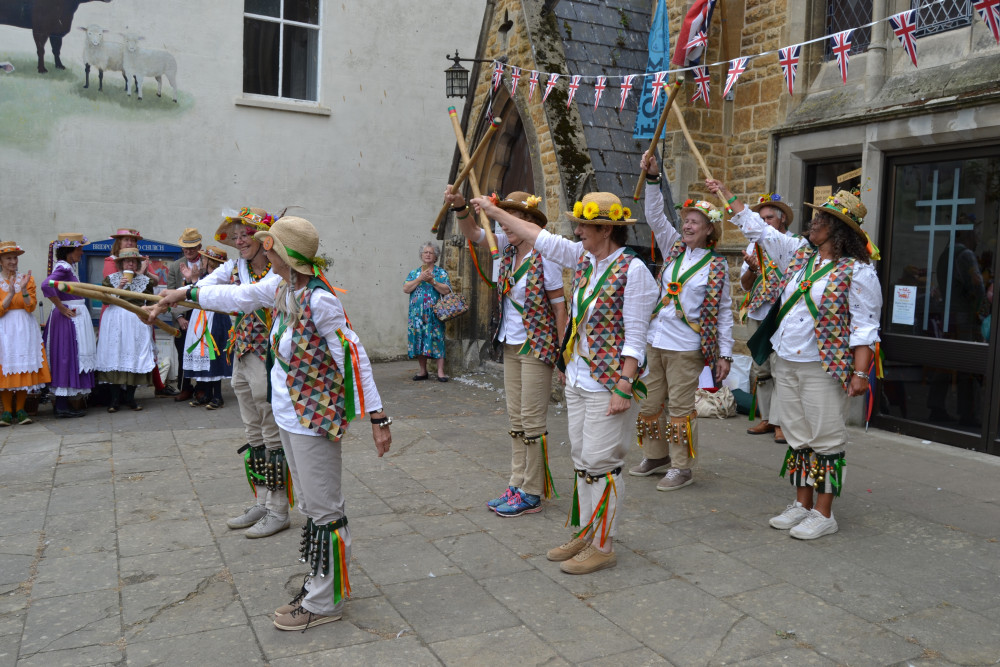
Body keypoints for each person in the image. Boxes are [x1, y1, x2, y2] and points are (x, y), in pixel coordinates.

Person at [147, 215, 392, 632]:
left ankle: (323, 602)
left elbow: (354, 356)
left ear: (282, 253)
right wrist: (179, 294)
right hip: (290, 417)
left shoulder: (319, 300)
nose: (263, 249)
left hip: (313, 419)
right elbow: (234, 296)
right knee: (314, 508)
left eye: (269, 244)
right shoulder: (282, 288)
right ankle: (320, 588)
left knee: (325, 510)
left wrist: (378, 416)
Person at [470, 191, 657, 575]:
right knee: (582, 460)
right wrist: (492, 213)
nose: (577, 231)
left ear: (606, 229)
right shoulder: (588, 259)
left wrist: (624, 384)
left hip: (609, 383)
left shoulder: (633, 270)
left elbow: (637, 336)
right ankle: (588, 532)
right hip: (579, 376)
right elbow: (542, 238)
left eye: (584, 225)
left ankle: (603, 545)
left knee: (602, 462)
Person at [708, 178, 882, 540]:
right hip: (786, 361)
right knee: (798, 437)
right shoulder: (799, 255)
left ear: (839, 230)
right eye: (816, 217)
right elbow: (760, 230)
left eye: (821, 219)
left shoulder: (859, 273)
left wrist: (861, 375)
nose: (813, 223)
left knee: (826, 438)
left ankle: (824, 512)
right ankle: (802, 504)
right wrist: (727, 197)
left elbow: (865, 329)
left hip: (823, 366)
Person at [446, 187, 567, 517]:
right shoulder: (505, 250)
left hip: (538, 345)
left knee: (532, 418)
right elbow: (472, 231)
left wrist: (562, 355)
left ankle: (532, 491)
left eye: (510, 220)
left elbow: (560, 309)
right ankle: (517, 482)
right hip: (510, 343)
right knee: (516, 418)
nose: (503, 228)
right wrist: (459, 206)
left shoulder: (547, 256)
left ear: (526, 221)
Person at [629, 155, 734, 491]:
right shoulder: (673, 249)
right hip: (656, 339)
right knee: (649, 403)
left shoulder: (717, 267)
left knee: (679, 408)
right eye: (686, 220)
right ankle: (656, 456)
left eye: (695, 222)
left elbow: (724, 313)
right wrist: (654, 179)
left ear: (709, 230)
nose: (687, 225)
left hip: (687, 347)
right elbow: (656, 216)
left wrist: (725, 354)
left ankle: (681, 467)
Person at [205, 207, 289, 539]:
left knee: (271, 432)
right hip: (240, 353)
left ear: (263, 239)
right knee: (252, 432)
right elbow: (206, 286)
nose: (239, 241)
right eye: (236, 236)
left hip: (269, 357)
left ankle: (279, 509)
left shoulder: (278, 271)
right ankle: (262, 499)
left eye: (245, 235)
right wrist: (172, 300)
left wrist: (196, 295)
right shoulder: (234, 267)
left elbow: (246, 300)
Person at [738, 193, 796, 444]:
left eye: (769, 217)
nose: (764, 222)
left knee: (780, 368)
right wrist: (752, 268)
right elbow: (745, 285)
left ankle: (781, 422)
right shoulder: (753, 246)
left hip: (781, 314)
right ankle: (766, 418)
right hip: (756, 312)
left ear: (782, 220)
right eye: (760, 218)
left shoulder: (794, 244)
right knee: (761, 367)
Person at [41, 233, 96, 418]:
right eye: (79, 249)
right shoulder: (63, 267)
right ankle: (61, 406)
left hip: (73, 317)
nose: (81, 252)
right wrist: (60, 306)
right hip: (68, 319)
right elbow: (46, 285)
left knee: (70, 357)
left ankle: (64, 404)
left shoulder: (70, 268)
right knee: (65, 357)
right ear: (69, 251)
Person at [96, 247, 156, 412]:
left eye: (134, 260)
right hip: (115, 322)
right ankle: (114, 400)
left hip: (136, 322)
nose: (131, 263)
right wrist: (120, 288)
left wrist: (150, 314)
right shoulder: (111, 279)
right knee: (115, 355)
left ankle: (130, 398)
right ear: (121, 264)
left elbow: (151, 304)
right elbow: (105, 301)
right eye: (127, 260)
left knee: (135, 356)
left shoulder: (145, 281)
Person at [0, 241, 51, 427]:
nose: (13, 261)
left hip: (24, 326)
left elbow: (30, 307)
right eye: (8, 258)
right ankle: (6, 411)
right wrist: (10, 294)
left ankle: (21, 410)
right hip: (4, 327)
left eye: (15, 258)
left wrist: (22, 290)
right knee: (6, 366)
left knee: (23, 367)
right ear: (1, 261)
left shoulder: (26, 279)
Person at [181, 245, 233, 409]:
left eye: (204, 258)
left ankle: (217, 396)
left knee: (213, 353)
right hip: (201, 318)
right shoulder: (204, 276)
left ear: (210, 261)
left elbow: (206, 295)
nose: (202, 260)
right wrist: (191, 280)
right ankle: (206, 394)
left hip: (215, 318)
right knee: (202, 353)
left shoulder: (221, 279)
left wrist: (194, 281)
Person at [403, 242, 451, 381]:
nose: (428, 254)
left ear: (436, 256)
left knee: (438, 339)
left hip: (434, 313)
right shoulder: (414, 273)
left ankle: (441, 372)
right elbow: (406, 289)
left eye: (431, 252)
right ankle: (423, 371)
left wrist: (432, 281)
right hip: (417, 315)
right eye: (425, 252)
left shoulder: (441, 273)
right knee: (419, 339)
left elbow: (446, 290)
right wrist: (419, 279)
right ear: (421, 256)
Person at [166, 228, 204, 402]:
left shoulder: (206, 263)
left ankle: (202, 388)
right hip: (182, 313)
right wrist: (179, 318)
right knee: (183, 352)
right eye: (185, 248)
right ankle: (185, 387)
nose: (188, 251)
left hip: (202, 311)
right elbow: (170, 293)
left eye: (192, 248)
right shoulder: (175, 266)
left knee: (203, 351)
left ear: (199, 247)